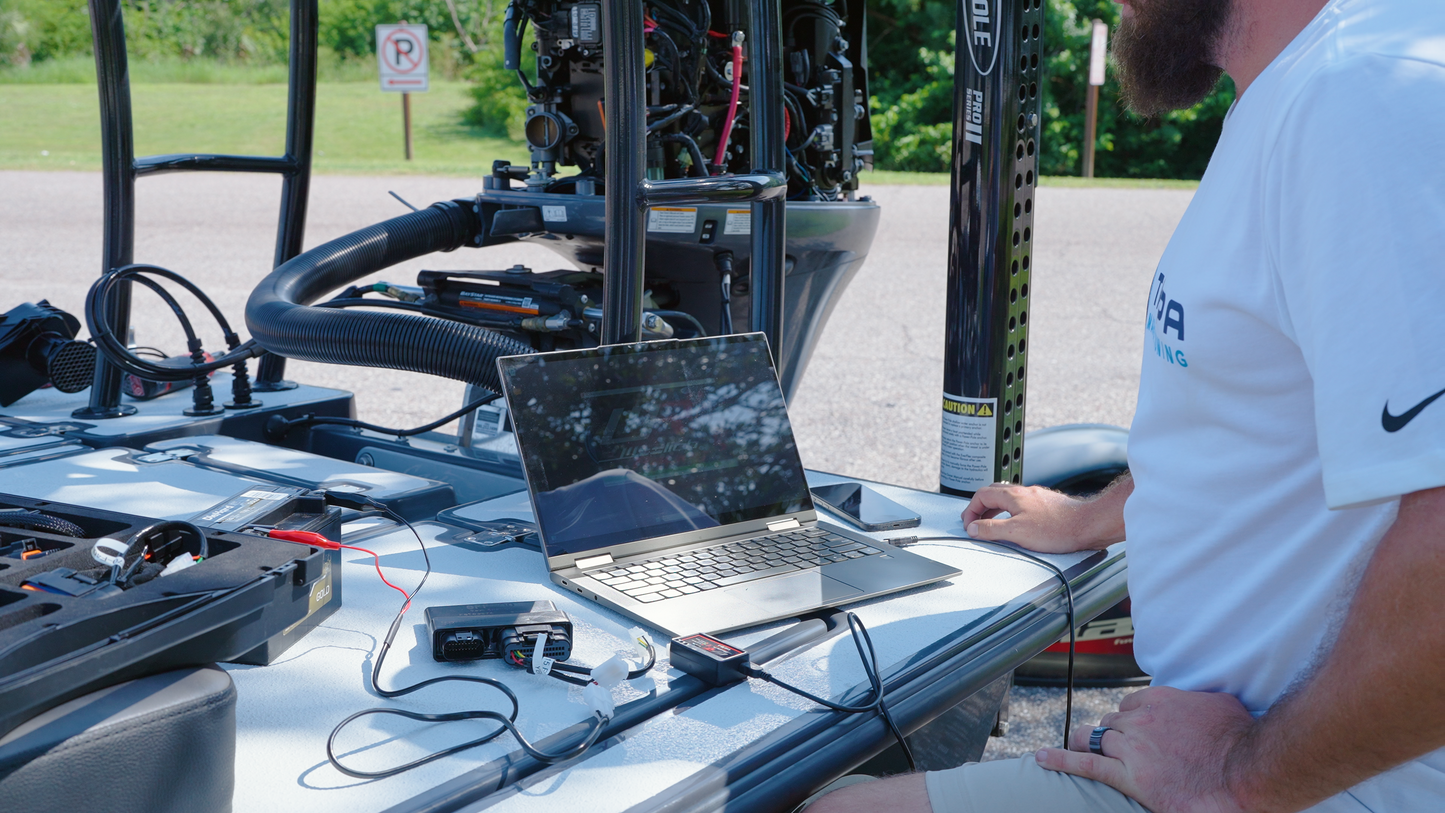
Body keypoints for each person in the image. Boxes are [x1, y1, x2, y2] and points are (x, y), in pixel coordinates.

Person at [808, 0, 1445, 810]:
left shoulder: (1365, 96)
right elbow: (1250, 423)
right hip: (1267, 746)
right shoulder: (1300, 92)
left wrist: (1237, 777)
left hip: (1329, 778)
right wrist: (1086, 518)